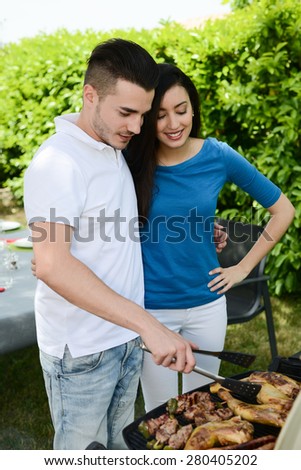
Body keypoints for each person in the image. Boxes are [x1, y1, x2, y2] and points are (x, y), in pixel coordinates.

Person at [23, 39, 200, 451]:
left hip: (123, 341)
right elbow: (52, 265)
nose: (138, 127)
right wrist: (148, 325)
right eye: (127, 112)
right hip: (83, 354)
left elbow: (110, 231)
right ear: (90, 95)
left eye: (143, 114)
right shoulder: (57, 162)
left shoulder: (110, 145)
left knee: (120, 448)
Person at [126, 63, 295, 412]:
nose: (174, 124)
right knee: (159, 410)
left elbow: (284, 210)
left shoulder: (217, 155)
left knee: (202, 406)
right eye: (160, 115)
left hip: (207, 306)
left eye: (181, 110)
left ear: (193, 108)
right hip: (151, 310)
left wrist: (242, 268)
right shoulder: (130, 161)